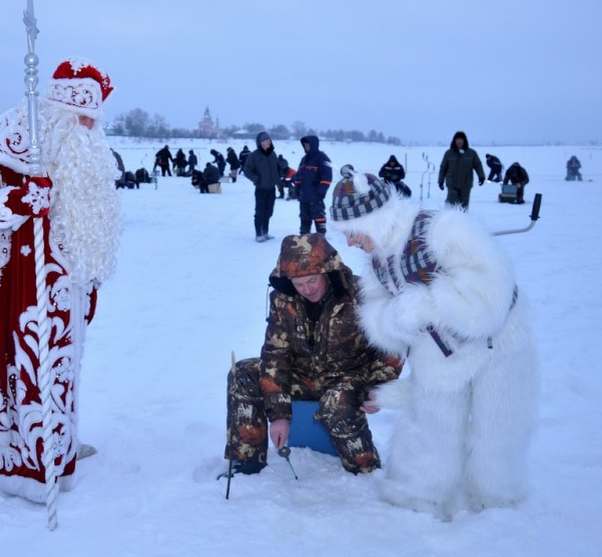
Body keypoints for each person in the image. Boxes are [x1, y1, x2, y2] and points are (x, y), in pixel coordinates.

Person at [0, 57, 122, 502]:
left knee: (64, 370)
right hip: (21, 286)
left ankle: (58, 444)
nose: (88, 125)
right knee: (30, 366)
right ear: (61, 110)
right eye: (83, 116)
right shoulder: (14, 134)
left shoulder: (85, 145)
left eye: (94, 119)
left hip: (69, 285)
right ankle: (24, 463)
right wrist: (22, 199)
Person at [328, 166, 538, 520]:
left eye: (352, 232)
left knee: (498, 424)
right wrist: (393, 318)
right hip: (439, 352)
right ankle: (417, 493)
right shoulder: (379, 263)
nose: (349, 243)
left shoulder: (443, 231)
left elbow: (491, 296)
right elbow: (377, 317)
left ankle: (496, 499)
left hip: (500, 341)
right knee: (429, 421)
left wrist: (428, 304)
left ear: (375, 219)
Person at [223, 233, 402, 475]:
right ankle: (247, 461)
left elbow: (390, 347)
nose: (306, 289)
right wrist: (278, 415)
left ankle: (365, 470)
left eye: (312, 281)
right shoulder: (282, 300)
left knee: (336, 401)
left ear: (327, 272)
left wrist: (378, 387)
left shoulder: (362, 294)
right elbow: (276, 354)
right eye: (299, 284)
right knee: (243, 372)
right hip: (303, 375)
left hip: (349, 378)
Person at [243, 132, 281, 242]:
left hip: (271, 188)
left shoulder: (273, 154)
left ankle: (265, 232)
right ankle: (258, 234)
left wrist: (281, 172)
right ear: (260, 143)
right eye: (266, 140)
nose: (269, 141)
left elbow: (277, 168)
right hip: (261, 188)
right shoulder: (254, 155)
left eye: (269, 139)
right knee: (260, 212)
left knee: (269, 212)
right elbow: (247, 170)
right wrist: (256, 179)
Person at [295, 135, 333, 235]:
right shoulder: (304, 159)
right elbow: (299, 175)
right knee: (304, 217)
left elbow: (327, 176)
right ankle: (304, 238)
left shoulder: (322, 158)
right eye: (304, 145)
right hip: (304, 196)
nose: (306, 147)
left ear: (313, 145)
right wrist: (297, 188)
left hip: (315, 195)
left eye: (308, 145)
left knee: (319, 217)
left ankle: (321, 237)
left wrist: (321, 191)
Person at [437, 131, 485, 209]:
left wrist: (481, 176)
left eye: (461, 139)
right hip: (452, 183)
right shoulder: (448, 153)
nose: (459, 141)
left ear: (464, 141)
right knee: (451, 203)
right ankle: (448, 219)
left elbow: (478, 165)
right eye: (457, 139)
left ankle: (462, 220)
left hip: (466, 184)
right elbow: (443, 168)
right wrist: (440, 181)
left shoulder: (471, 153)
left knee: (463, 206)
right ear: (454, 141)